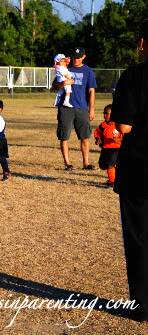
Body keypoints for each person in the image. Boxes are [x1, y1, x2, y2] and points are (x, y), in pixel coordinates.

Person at [110, 19, 148, 323]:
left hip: (139, 168)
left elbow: (124, 126)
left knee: (139, 238)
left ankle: (142, 305)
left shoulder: (134, 76)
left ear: (142, 43)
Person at [52, 47, 97, 171]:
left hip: (82, 108)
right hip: (65, 108)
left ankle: (86, 163)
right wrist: (64, 84)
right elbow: (54, 87)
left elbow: (91, 91)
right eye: (73, 57)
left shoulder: (88, 71)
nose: (75, 60)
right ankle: (68, 164)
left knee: (85, 137)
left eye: (78, 57)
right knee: (64, 136)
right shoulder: (64, 68)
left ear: (83, 57)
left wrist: (91, 109)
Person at [93, 104, 122, 187]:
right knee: (102, 165)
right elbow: (97, 133)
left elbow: (126, 136)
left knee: (110, 164)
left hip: (116, 148)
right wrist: (98, 139)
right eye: (104, 113)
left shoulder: (118, 124)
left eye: (107, 113)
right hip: (106, 148)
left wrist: (119, 139)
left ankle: (112, 181)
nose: (104, 115)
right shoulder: (103, 125)